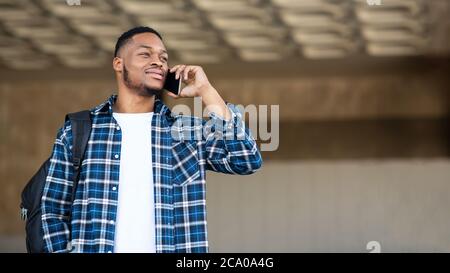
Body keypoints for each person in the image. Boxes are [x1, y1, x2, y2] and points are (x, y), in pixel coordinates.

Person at [41, 26, 262, 253]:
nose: (158, 62)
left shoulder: (187, 133)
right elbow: (52, 210)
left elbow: (246, 159)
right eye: (145, 54)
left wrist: (206, 90)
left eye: (163, 58)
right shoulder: (78, 131)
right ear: (119, 64)